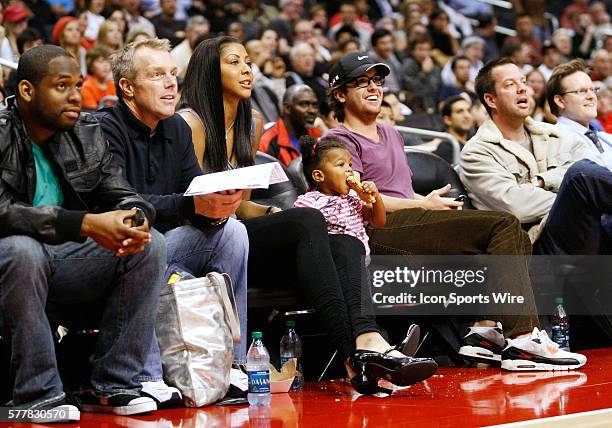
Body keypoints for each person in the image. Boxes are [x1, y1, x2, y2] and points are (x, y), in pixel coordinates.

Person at [178, 35, 438, 394]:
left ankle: (368, 340)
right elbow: (192, 203)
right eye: (235, 62)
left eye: (248, 61)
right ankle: (353, 358)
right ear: (209, 70)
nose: (247, 69)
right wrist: (289, 220)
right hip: (204, 236)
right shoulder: (191, 123)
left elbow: (244, 204)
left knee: (345, 242)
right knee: (309, 220)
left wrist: (274, 212)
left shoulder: (249, 121)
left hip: (240, 231)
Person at [327, 51, 587, 371]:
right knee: (504, 224)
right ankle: (522, 340)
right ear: (340, 94)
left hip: (409, 221)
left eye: (377, 81)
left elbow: (399, 191)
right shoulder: (337, 140)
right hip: (375, 228)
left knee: (512, 236)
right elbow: (363, 199)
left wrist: (429, 200)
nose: (373, 88)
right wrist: (423, 204)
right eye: (361, 83)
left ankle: (484, 333)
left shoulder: (392, 133)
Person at [0, 45, 165, 419]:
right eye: (61, 86)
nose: (75, 96)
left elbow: (125, 195)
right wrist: (87, 224)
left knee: (151, 244)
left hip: (62, 261)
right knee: (23, 250)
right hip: (12, 264)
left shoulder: (86, 132)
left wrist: (134, 220)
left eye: (78, 85)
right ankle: (36, 395)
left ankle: (112, 385)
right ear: (27, 90)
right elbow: (3, 212)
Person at [95, 37, 249, 406]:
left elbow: (192, 192)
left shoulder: (177, 128)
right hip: (120, 245)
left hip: (171, 240)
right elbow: (123, 203)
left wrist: (216, 208)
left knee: (235, 232)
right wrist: (193, 207)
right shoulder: (105, 129)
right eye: (156, 75)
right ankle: (146, 376)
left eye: (172, 74)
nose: (170, 84)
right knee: (151, 243)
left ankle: (232, 365)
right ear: (127, 87)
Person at [461, 57, 612, 256]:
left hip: (584, 229)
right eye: (510, 84)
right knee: (580, 176)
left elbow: (593, 167)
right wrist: (568, 194)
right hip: (536, 245)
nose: (523, 88)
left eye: (523, 82)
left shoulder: (553, 134)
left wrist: (540, 182)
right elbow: (516, 206)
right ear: (490, 100)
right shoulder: (477, 152)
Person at [549, 59, 612, 171]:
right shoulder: (556, 140)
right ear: (560, 100)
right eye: (582, 91)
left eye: (592, 90)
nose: (591, 96)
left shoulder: (605, 137)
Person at [258, 84, 321, 166]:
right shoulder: (267, 142)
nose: (312, 111)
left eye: (314, 105)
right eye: (304, 104)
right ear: (287, 108)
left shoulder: (317, 135)